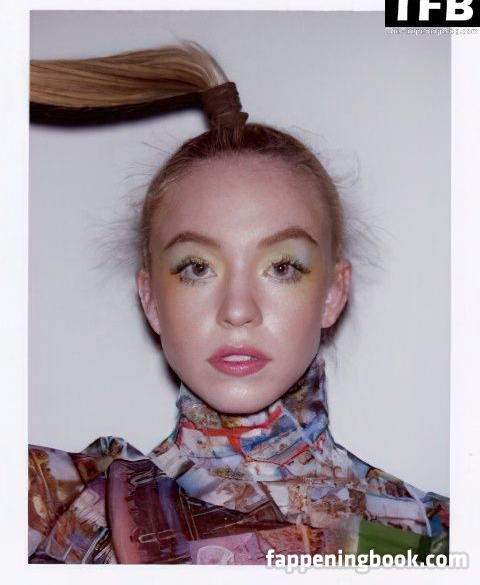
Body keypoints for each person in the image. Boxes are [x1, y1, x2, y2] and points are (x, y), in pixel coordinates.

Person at [28, 41, 449, 565]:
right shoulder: (52, 507)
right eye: (197, 267)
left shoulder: (437, 539)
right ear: (151, 299)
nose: (237, 309)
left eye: (282, 267)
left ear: (334, 293)